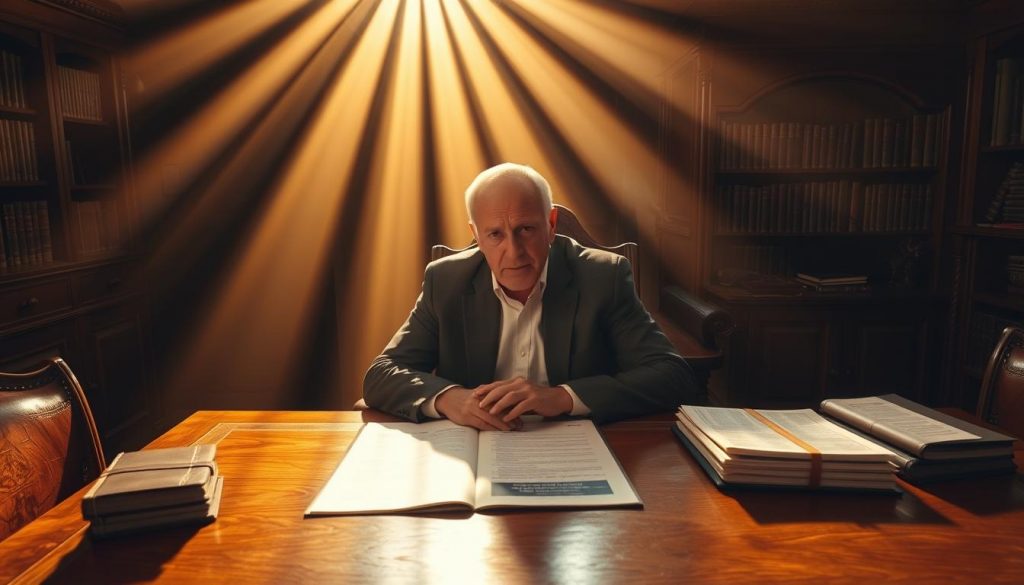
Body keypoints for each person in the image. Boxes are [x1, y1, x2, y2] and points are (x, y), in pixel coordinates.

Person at [363, 163, 696, 430]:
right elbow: (381, 375)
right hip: (476, 451)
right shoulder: (446, 280)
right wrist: (451, 399)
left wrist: (562, 398)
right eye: (495, 234)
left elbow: (671, 376)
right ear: (476, 235)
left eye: (526, 229)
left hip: (580, 449)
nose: (514, 252)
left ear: (551, 225)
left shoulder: (603, 276)